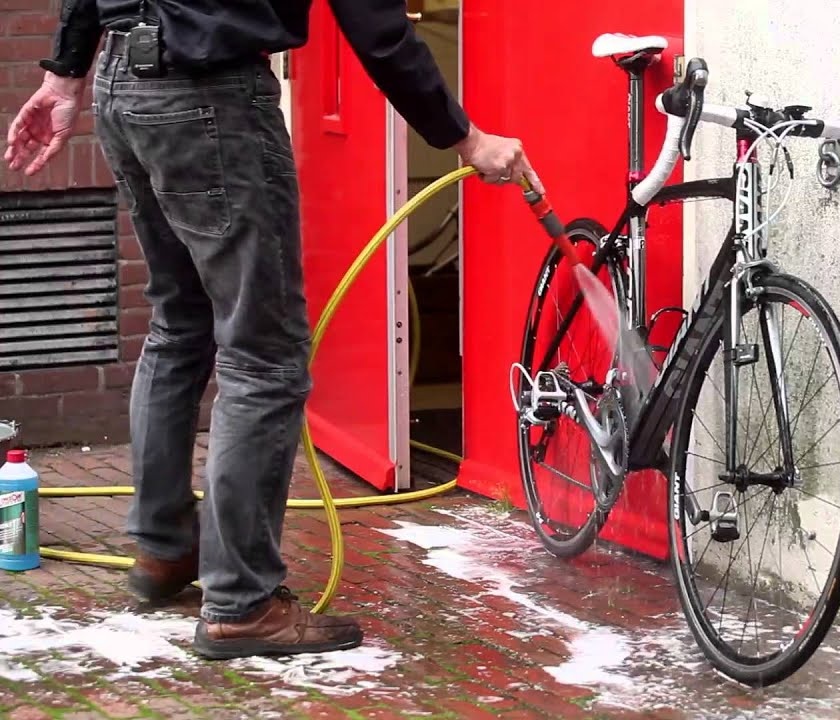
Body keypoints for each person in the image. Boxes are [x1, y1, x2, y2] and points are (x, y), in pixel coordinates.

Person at [4, 0, 541, 661]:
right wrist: (465, 137)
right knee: (265, 355)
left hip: (124, 81)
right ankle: (242, 603)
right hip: (211, 98)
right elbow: (375, 26)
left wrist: (67, 72)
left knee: (180, 319)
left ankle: (164, 549)